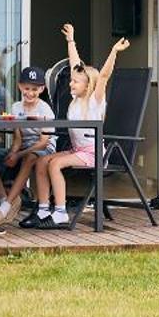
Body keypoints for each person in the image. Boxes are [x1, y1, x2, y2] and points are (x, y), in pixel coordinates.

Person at [39, 23, 129, 227]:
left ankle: (60, 212)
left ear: (88, 85)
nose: (71, 84)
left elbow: (104, 75)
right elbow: (74, 64)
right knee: (41, 162)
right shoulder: (75, 98)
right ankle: (43, 210)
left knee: (54, 164)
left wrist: (114, 51)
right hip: (77, 149)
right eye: (71, 81)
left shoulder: (95, 100)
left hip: (92, 153)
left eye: (75, 82)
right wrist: (71, 40)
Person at [0, 66, 57, 226]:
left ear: (42, 89)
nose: (30, 93)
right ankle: (5, 198)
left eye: (34, 89)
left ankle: (5, 207)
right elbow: (18, 137)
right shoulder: (16, 107)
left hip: (44, 148)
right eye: (27, 88)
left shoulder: (45, 109)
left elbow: (43, 142)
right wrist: (13, 153)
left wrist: (19, 155)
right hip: (23, 147)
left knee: (29, 158)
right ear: (19, 86)